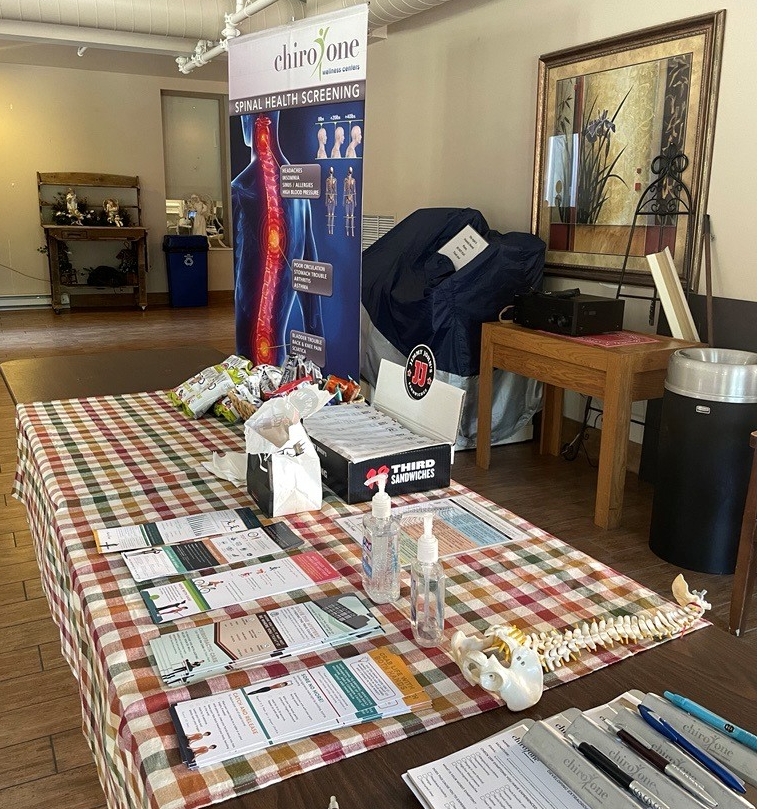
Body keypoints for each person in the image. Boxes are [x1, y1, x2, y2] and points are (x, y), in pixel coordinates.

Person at [232, 111, 324, 366]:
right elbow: (309, 271)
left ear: (248, 122)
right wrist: (316, 341)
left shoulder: (240, 190)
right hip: (277, 356)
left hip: (251, 355)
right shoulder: (299, 193)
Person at [343, 167, 356, 237]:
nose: (350, 173)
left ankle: (352, 231)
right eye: (349, 172)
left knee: (352, 216)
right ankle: (347, 232)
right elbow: (344, 191)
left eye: (350, 172)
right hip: (347, 199)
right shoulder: (345, 180)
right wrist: (343, 201)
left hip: (352, 199)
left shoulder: (353, 180)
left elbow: (354, 191)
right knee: (347, 216)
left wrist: (355, 201)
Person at [325, 167, 337, 235]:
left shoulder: (335, 180)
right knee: (329, 214)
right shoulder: (327, 180)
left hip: (333, 199)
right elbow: (326, 190)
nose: (331, 173)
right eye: (330, 171)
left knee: (332, 214)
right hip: (329, 198)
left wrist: (335, 200)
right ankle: (329, 230)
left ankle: (331, 229)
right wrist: (326, 200)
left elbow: (335, 190)